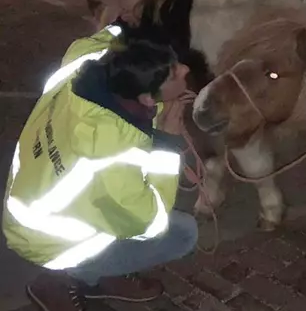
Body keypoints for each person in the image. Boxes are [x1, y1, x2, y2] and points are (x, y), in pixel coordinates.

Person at [2, 23, 198, 311]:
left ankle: (96, 272)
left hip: (32, 196)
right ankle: (66, 277)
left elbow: (105, 37)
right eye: (173, 72)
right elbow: (148, 222)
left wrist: (123, 23)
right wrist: (167, 143)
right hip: (47, 239)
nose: (183, 69)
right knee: (183, 233)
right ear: (146, 98)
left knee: (116, 205)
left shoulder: (84, 64)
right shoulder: (111, 153)